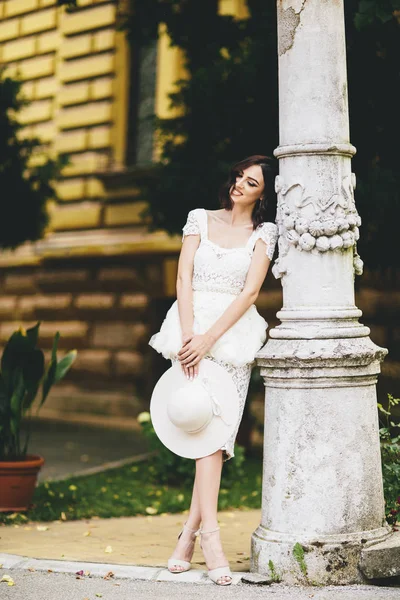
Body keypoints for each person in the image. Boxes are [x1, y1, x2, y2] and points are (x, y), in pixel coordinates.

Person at [149, 155, 278, 585]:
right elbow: (183, 277)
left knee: (216, 437)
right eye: (240, 176)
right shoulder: (199, 219)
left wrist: (210, 339)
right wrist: (191, 336)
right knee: (200, 425)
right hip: (188, 331)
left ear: (264, 193)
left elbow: (251, 292)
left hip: (231, 336)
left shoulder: (264, 233)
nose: (240, 184)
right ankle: (204, 536)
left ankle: (198, 535)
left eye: (252, 182)